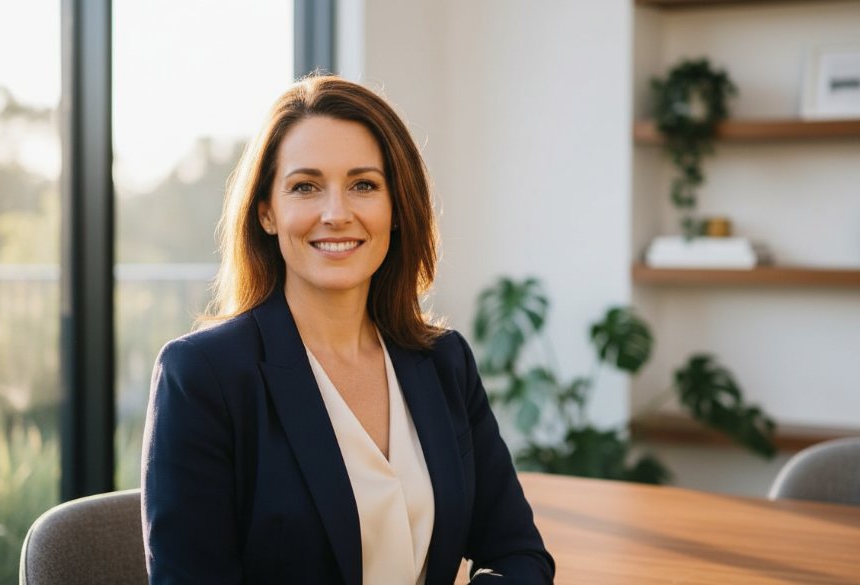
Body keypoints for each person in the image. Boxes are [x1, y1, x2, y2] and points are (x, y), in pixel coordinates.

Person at [141, 75, 555, 585]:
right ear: (267, 211)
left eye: (364, 185)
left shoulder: (444, 361)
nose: (337, 214)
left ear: (396, 208)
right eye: (305, 187)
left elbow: (520, 555)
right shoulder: (203, 376)